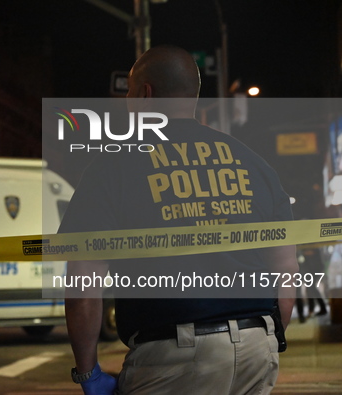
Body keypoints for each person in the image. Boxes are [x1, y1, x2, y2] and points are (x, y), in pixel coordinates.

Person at [60, 46, 298, 395]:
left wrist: (87, 372)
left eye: (128, 91)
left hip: (175, 355)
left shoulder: (114, 166)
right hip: (256, 347)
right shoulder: (253, 163)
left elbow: (84, 279)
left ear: (144, 93)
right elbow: (285, 266)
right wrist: (267, 334)